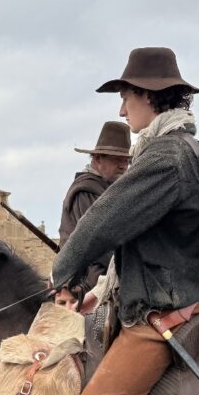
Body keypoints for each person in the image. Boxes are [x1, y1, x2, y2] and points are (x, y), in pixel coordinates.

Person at [52, 47, 199, 395]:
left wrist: (63, 272)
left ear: (149, 95)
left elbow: (103, 222)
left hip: (162, 311)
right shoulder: (174, 148)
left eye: (126, 97)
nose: (122, 110)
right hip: (158, 292)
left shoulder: (166, 156)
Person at [55, 120, 132, 303]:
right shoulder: (86, 190)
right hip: (89, 283)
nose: (124, 166)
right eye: (117, 159)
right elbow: (99, 243)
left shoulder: (109, 189)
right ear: (98, 159)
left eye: (127, 160)